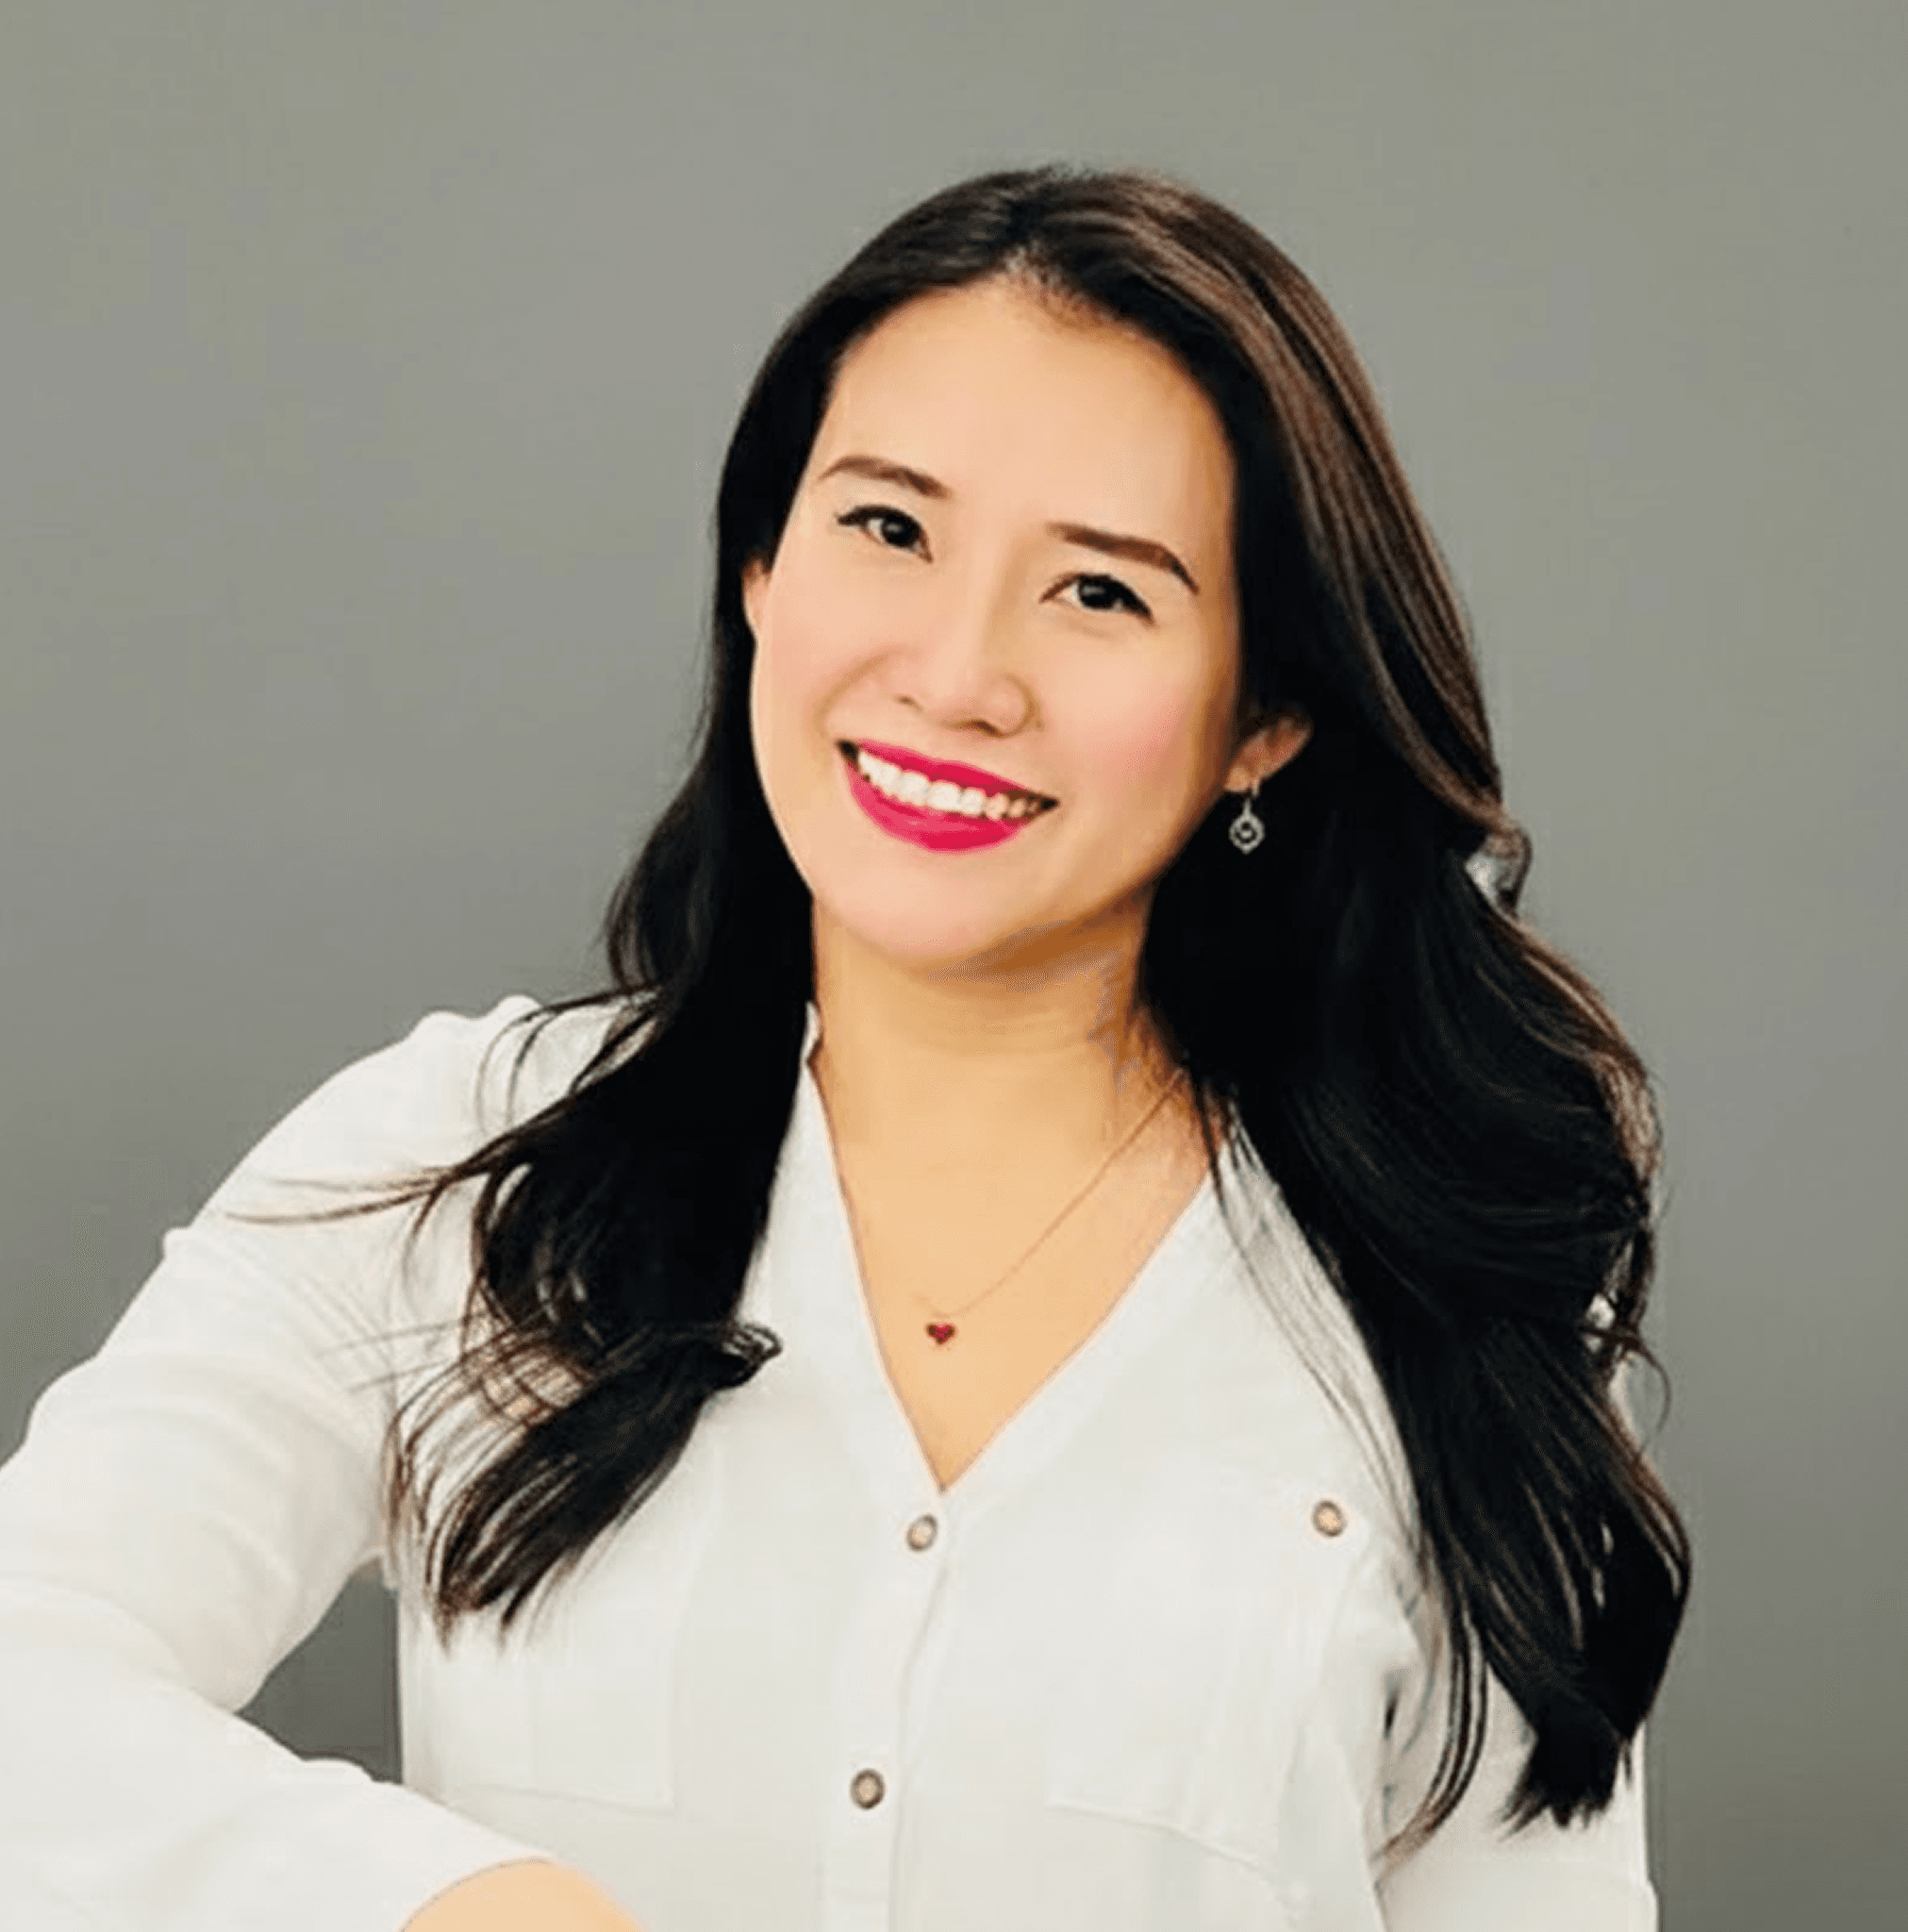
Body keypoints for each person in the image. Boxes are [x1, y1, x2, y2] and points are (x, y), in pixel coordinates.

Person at [0, 163, 1689, 1932]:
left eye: (1100, 594)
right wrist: (461, 1908)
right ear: (760, 567)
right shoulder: (457, 1167)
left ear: (1261, 718)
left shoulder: (1447, 1291)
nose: (957, 676)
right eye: (889, 528)